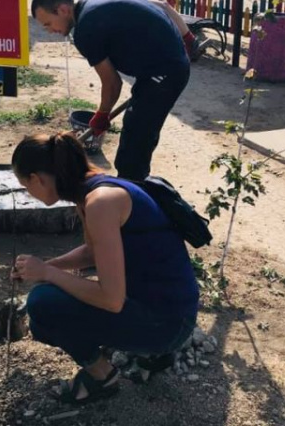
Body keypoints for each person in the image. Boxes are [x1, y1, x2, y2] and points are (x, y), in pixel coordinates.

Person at [11, 132, 199, 404]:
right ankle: (150, 353)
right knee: (45, 309)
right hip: (167, 306)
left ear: (36, 179)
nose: (30, 193)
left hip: (168, 323)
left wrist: (49, 274)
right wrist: (45, 267)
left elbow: (111, 300)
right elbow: (92, 251)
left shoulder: (100, 203)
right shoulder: (89, 188)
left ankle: (103, 376)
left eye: (25, 186)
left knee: (42, 303)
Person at [31, 0, 191, 181]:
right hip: (161, 67)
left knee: (134, 146)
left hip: (165, 74)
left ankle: (134, 194)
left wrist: (102, 115)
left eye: (48, 24)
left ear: (63, 10)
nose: (50, 31)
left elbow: (113, 83)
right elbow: (163, 6)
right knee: (135, 132)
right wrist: (188, 38)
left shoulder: (86, 30)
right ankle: (133, 186)